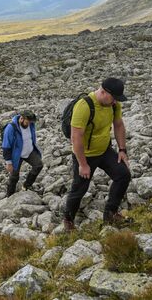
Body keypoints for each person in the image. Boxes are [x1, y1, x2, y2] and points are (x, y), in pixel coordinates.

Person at [63, 77, 131, 231]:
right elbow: (76, 137)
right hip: (85, 155)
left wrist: (122, 150)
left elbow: (119, 125)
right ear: (104, 92)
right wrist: (82, 164)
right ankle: (68, 221)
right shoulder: (84, 106)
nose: (115, 102)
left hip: (104, 150)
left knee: (123, 175)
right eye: (113, 98)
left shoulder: (114, 105)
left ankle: (110, 214)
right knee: (79, 189)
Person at [1, 110, 43, 197]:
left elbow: (32, 137)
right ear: (21, 119)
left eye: (30, 122)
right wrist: (8, 162)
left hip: (29, 151)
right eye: (27, 122)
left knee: (38, 165)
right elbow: (6, 146)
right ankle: (9, 195)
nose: (29, 124)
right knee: (14, 176)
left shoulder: (30, 124)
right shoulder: (11, 128)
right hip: (17, 155)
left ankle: (26, 186)